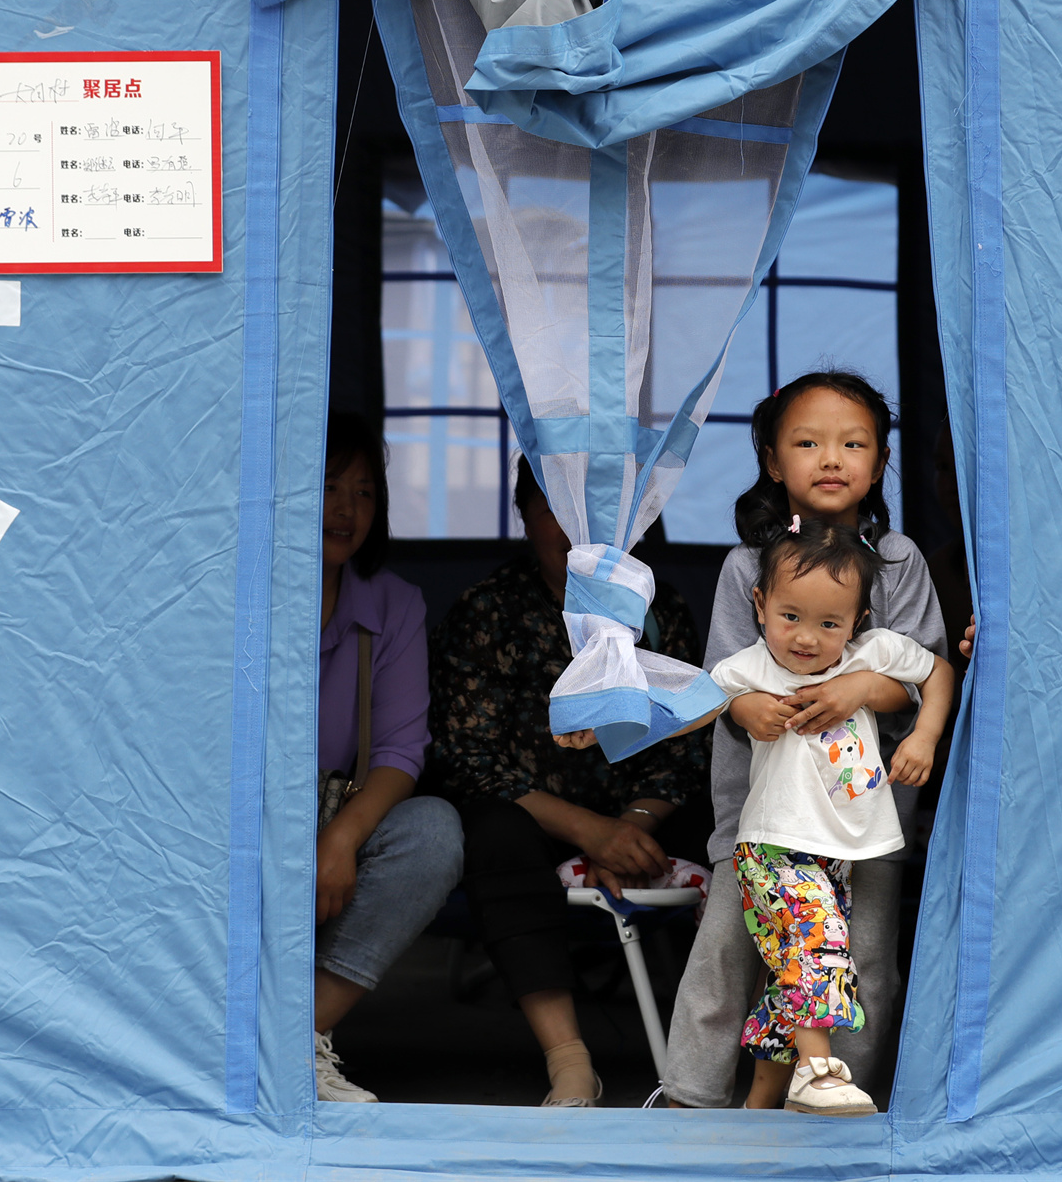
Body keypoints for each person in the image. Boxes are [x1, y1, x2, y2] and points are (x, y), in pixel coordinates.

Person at [664, 369, 952, 1110]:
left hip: (864, 818)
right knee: (729, 951)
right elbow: (721, 684)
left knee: (863, 961)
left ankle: (836, 1106)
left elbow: (920, 677)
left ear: (879, 463)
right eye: (807, 443)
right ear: (771, 459)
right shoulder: (746, 566)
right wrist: (748, 707)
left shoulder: (899, 561)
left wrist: (859, 688)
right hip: (761, 815)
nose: (831, 458)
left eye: (853, 444)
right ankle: (690, 1101)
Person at [426, 456, 710, 1108]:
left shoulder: (658, 608)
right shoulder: (489, 610)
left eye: (599, 513)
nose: (580, 530)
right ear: (523, 515)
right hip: (535, 819)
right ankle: (570, 1061)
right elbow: (468, 757)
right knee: (493, 833)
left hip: (645, 821)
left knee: (739, 825)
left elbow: (687, 745)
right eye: (557, 507)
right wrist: (593, 833)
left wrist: (631, 827)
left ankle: (738, 1049)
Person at [710, 520, 952, 1114]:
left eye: (829, 624)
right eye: (790, 616)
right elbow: (688, 705)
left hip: (835, 852)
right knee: (819, 946)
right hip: (771, 847)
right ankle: (817, 1073)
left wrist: (923, 736)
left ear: (858, 620)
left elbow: (939, 672)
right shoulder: (747, 669)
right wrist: (741, 707)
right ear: (760, 604)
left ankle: (761, 1108)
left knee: (792, 970)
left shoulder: (872, 654)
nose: (806, 639)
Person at [309, 411, 465, 1103]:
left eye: (365, 492)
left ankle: (296, 1039)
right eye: (329, 486)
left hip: (335, 808)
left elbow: (402, 748)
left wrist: (342, 838)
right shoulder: (240, 588)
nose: (347, 509)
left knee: (432, 832)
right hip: (241, 809)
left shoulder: (394, 604)